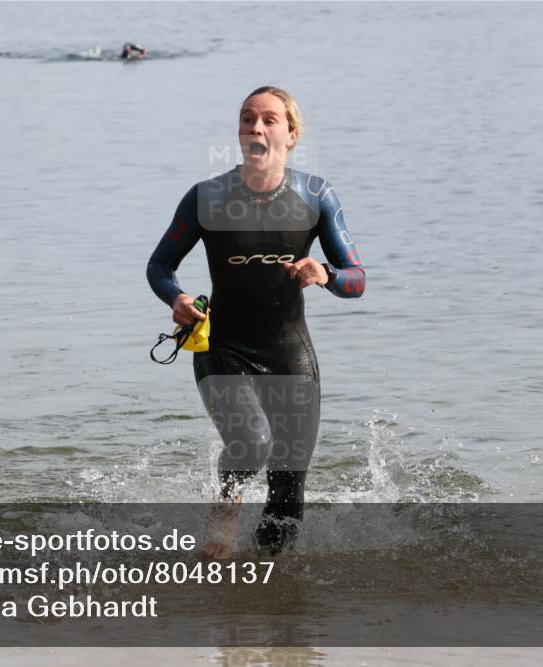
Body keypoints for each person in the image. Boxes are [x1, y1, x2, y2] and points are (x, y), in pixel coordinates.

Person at [147, 86, 365, 558]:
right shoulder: (207, 197)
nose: (256, 128)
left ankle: (266, 589)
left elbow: (357, 279)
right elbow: (159, 265)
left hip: (290, 353)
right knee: (251, 441)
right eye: (248, 119)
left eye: (269, 120)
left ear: (292, 134)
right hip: (222, 347)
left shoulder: (316, 195)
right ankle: (226, 504)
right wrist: (177, 297)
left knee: (288, 497)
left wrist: (325, 274)